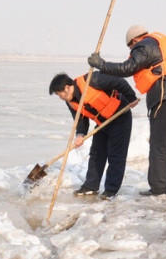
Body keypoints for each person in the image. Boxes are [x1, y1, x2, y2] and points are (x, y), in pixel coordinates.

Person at [88, 26, 166, 196]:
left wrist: (101, 64)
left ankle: (159, 188)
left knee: (159, 144)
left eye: (130, 47)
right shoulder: (163, 42)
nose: (132, 51)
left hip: (165, 94)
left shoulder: (144, 45)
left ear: (134, 40)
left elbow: (128, 68)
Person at [48, 71, 137, 199]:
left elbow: (119, 82)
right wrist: (80, 135)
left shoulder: (93, 80)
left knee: (116, 155)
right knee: (96, 154)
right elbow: (80, 119)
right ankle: (91, 186)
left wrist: (131, 98)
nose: (60, 98)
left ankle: (111, 190)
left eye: (59, 94)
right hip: (102, 123)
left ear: (66, 88)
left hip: (120, 117)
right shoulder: (70, 102)